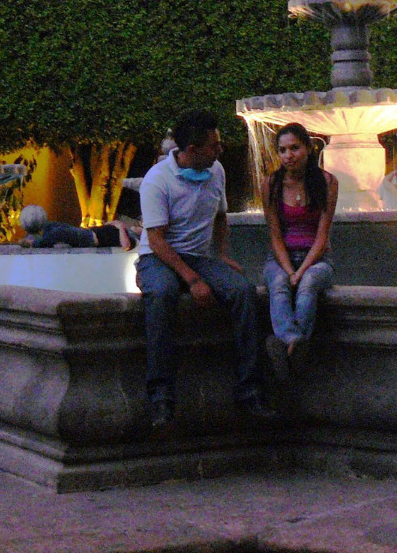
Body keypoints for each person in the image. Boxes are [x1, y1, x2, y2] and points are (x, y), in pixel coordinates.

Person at [135, 109, 270, 428]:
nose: (220, 150)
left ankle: (250, 390)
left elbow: (221, 216)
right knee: (163, 294)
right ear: (192, 150)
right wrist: (193, 280)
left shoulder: (217, 171)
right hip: (159, 257)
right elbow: (156, 241)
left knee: (243, 292)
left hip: (201, 256)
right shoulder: (157, 180)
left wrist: (220, 254)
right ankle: (160, 395)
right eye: (214, 146)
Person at [260, 123, 338, 382]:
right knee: (279, 283)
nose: (288, 155)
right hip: (280, 259)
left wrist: (302, 270)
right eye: (282, 150)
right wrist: (290, 270)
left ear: (308, 148)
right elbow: (274, 235)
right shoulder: (271, 184)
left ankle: (283, 347)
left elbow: (322, 235)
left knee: (309, 283)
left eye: (294, 148)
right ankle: (296, 342)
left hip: (317, 259)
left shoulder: (327, 182)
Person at [18, 205, 140, 250]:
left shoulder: (134, 238)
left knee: (60, 232)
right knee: (54, 225)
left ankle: (35, 244)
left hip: (91, 239)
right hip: (88, 232)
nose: (138, 225)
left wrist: (121, 228)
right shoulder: (125, 228)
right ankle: (32, 235)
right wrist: (116, 224)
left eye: (141, 226)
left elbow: (126, 246)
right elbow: (108, 224)